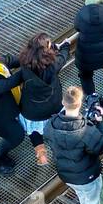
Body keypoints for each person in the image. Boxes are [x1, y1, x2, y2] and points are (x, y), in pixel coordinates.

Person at [43, 85, 103, 204]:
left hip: (67, 174)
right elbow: (102, 147)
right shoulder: (85, 130)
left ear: (63, 102)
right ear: (80, 103)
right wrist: (100, 124)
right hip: (87, 175)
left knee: (85, 198)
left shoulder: (50, 125)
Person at [16, 32, 71, 166]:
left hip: (33, 109)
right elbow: (63, 57)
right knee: (57, 125)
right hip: (53, 105)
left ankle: (41, 153)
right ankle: (62, 148)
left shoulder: (24, 64)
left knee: (34, 130)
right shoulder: (53, 65)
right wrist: (65, 46)